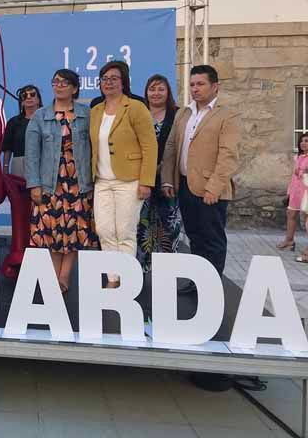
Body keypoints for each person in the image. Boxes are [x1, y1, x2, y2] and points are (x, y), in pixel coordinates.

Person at [162, 65, 241, 292]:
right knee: (195, 238)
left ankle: (212, 287)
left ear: (215, 87)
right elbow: (171, 147)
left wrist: (214, 188)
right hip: (186, 186)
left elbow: (228, 155)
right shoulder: (183, 113)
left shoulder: (227, 116)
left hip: (210, 190)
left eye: (200, 84)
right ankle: (197, 282)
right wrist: (168, 179)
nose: (195, 89)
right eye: (192, 84)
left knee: (212, 239)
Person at [25, 69, 96, 293]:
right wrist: (34, 184)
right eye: (56, 81)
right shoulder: (40, 116)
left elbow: (95, 148)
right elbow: (32, 153)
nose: (59, 85)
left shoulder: (87, 115)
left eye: (65, 82)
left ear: (75, 88)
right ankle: (54, 277)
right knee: (52, 231)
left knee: (75, 231)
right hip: (50, 182)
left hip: (79, 181)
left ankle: (64, 277)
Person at [90, 61, 157, 288]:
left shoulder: (136, 107)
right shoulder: (95, 110)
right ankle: (113, 278)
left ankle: (124, 283)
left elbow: (150, 146)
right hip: (101, 181)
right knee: (104, 230)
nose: (108, 83)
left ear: (123, 82)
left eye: (113, 78)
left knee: (125, 232)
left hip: (129, 181)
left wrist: (146, 181)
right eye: (104, 79)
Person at [136, 74, 182, 272]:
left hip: (167, 179)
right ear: (146, 92)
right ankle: (141, 268)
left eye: (161, 89)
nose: (156, 93)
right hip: (140, 178)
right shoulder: (138, 113)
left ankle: (167, 272)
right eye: (152, 89)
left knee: (168, 226)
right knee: (141, 224)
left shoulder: (178, 114)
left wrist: (164, 169)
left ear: (168, 92)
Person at [2, 84, 42, 179]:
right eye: (24, 96)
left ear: (38, 100)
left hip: (43, 164)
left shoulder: (47, 120)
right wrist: (5, 168)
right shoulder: (13, 122)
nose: (28, 97)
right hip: (19, 166)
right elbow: (7, 148)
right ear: (22, 102)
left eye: (32, 94)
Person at [290, 134, 308, 259]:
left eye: (306, 141)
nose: (303, 143)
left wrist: (300, 172)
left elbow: (303, 173)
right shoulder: (300, 157)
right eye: (302, 141)